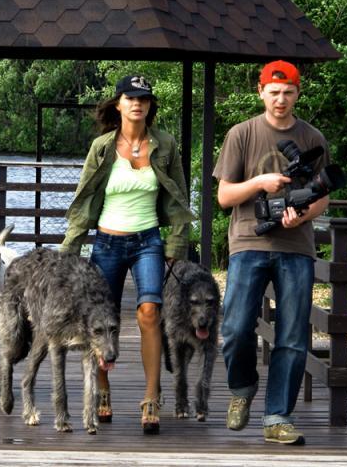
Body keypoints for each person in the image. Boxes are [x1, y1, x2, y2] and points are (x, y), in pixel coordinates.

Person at [61, 75, 193, 434]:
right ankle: (102, 389)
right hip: (107, 242)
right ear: (118, 104)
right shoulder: (102, 147)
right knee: (103, 318)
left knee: (149, 312)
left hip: (148, 241)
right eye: (130, 98)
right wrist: (69, 250)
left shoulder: (165, 145)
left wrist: (175, 245)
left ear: (150, 105)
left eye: (144, 98)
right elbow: (83, 201)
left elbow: (179, 198)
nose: (137, 104)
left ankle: (151, 397)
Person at [213, 60, 330, 445]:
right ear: (261, 91)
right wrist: (259, 182)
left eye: (288, 92)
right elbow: (225, 196)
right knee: (235, 328)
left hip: (297, 246)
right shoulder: (242, 134)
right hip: (249, 242)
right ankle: (242, 388)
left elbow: (323, 196)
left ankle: (278, 417)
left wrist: (303, 216)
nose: (281, 99)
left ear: (298, 93)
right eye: (274, 92)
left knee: (293, 335)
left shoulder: (312, 137)